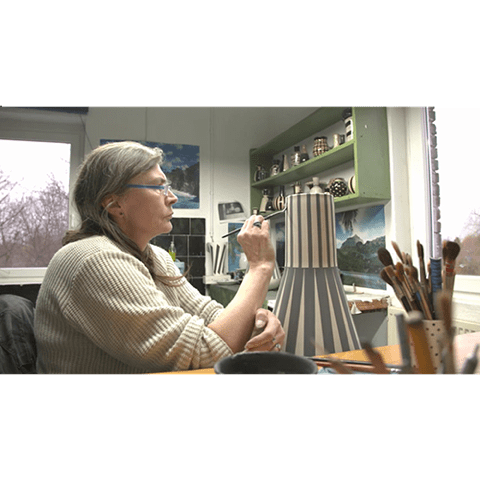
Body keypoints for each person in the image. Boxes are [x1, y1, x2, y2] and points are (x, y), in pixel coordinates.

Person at [34, 141, 284, 374]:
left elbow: (210, 316)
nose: (172, 197)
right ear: (114, 204)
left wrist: (257, 326)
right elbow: (202, 355)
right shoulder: (94, 259)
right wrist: (260, 267)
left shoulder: (156, 257)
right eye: (157, 187)